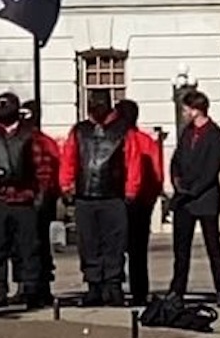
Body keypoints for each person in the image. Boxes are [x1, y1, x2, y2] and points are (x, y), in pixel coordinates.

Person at [0, 92, 56, 309]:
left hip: (25, 198)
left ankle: (31, 291)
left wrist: (40, 195)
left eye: (5, 105)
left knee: (29, 249)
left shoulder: (30, 135)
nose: (1, 109)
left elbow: (42, 167)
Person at [59, 90, 142, 307]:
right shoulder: (79, 131)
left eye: (98, 104)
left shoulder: (123, 131)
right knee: (89, 244)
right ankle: (94, 285)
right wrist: (66, 184)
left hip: (113, 196)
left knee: (114, 244)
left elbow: (133, 162)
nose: (94, 108)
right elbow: (69, 158)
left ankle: (113, 286)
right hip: (85, 196)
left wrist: (131, 190)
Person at [168, 90, 220, 308]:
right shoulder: (186, 133)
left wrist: (191, 190)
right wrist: (177, 182)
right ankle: (177, 290)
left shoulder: (216, 136)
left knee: (213, 246)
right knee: (181, 249)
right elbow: (176, 160)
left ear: (196, 110)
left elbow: (210, 171)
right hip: (183, 199)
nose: (184, 113)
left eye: (186, 109)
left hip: (204, 198)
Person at [114, 99, 164, 307]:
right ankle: (139, 291)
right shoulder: (147, 141)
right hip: (142, 202)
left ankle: (115, 287)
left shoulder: (122, 140)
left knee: (116, 247)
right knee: (138, 251)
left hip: (121, 200)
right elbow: (158, 175)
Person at [19, 99, 60, 305]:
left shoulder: (44, 142)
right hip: (25, 198)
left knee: (37, 244)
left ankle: (38, 285)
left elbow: (52, 172)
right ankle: (29, 284)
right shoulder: (32, 141)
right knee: (27, 245)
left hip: (39, 200)